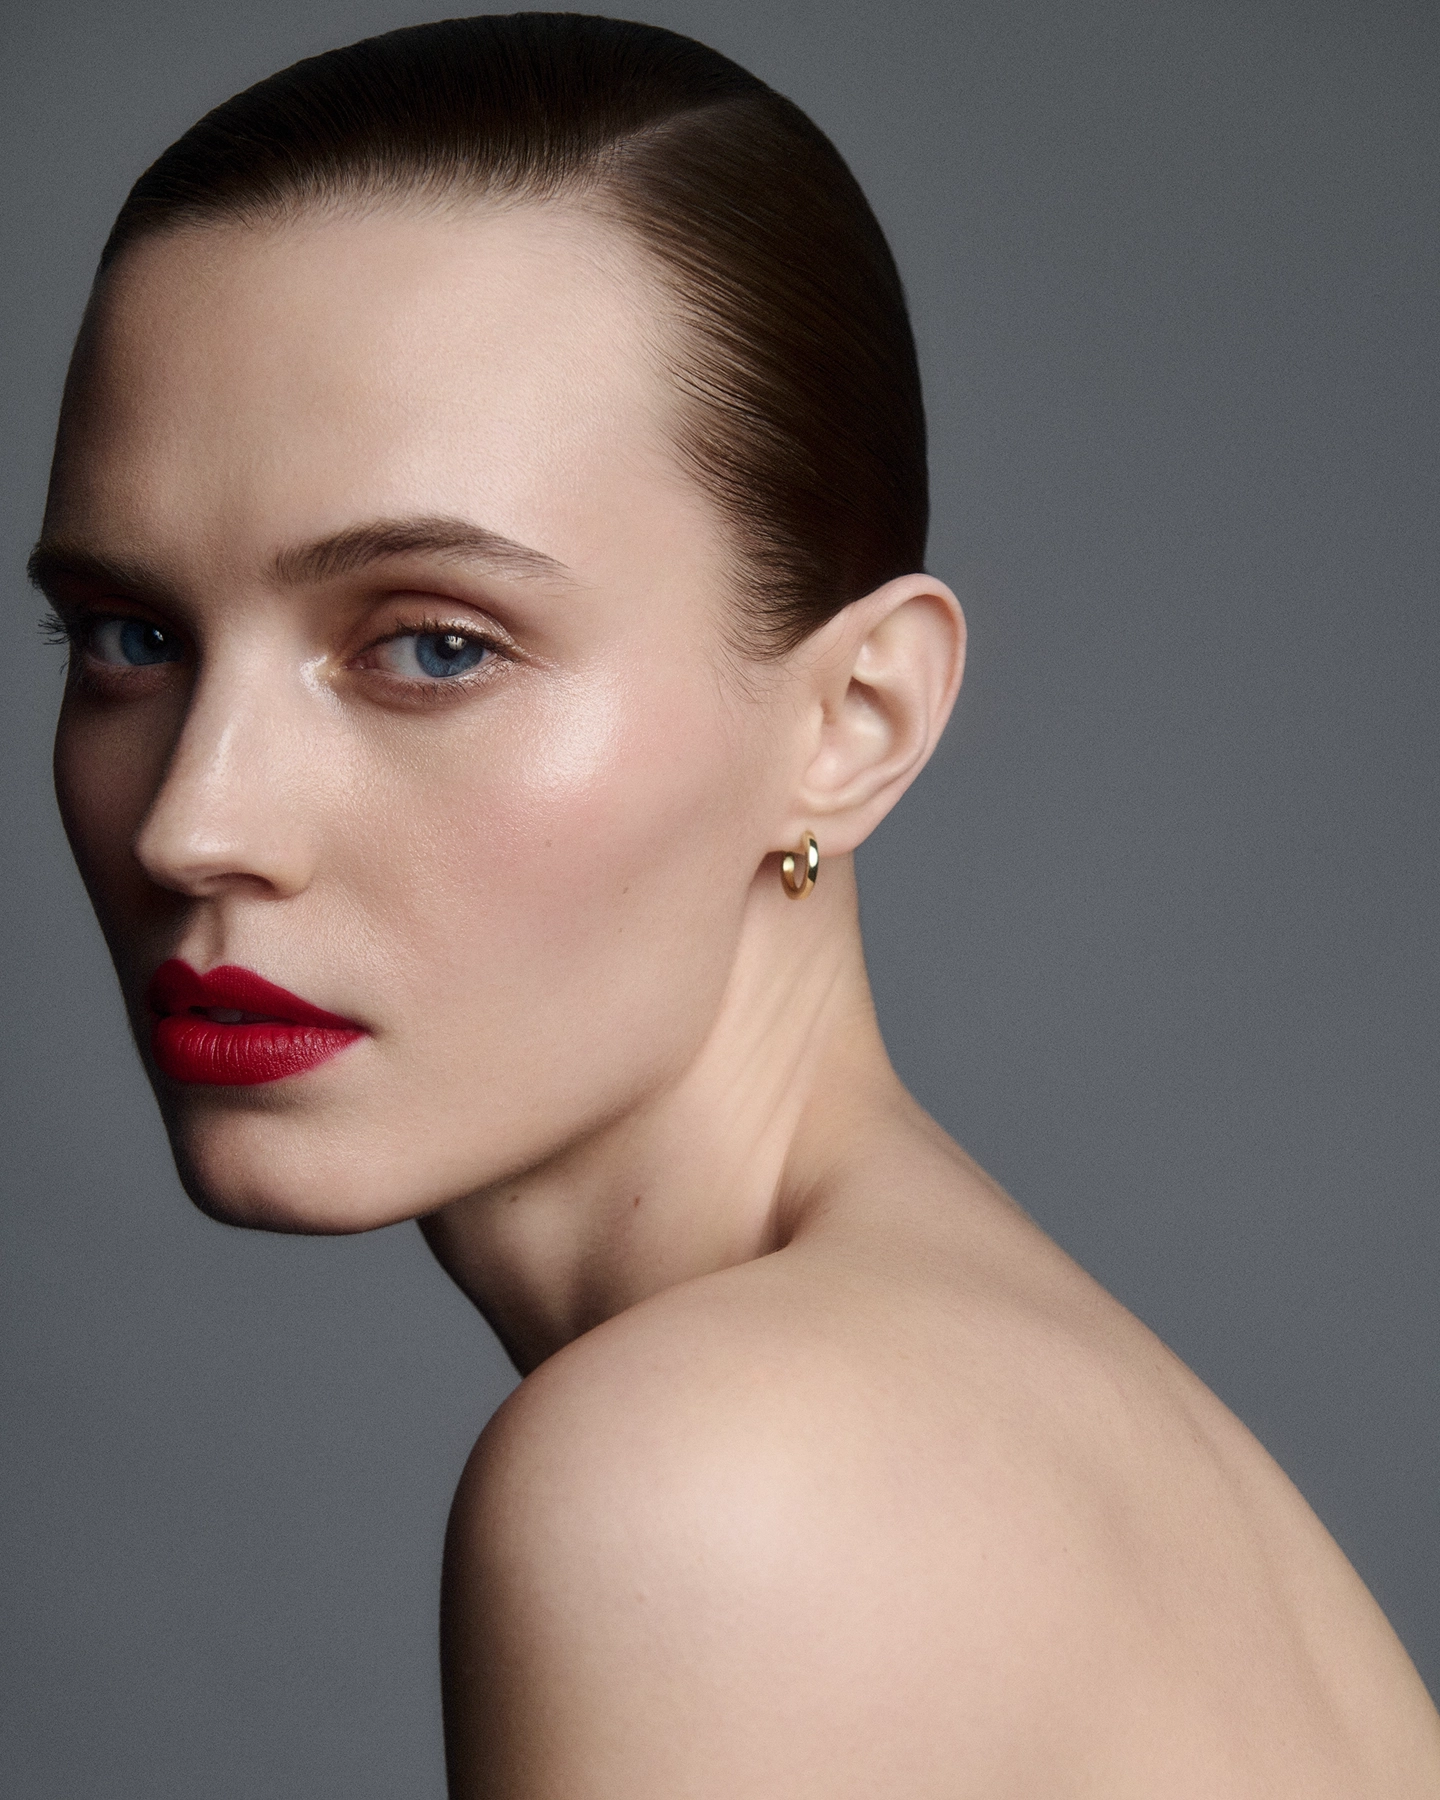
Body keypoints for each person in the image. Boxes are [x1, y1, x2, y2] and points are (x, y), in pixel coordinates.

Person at [31, 14, 1440, 1796]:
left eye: (434, 645)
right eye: (128, 637)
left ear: (853, 724)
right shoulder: (1004, 1409)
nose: (192, 823)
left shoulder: (716, 1480)